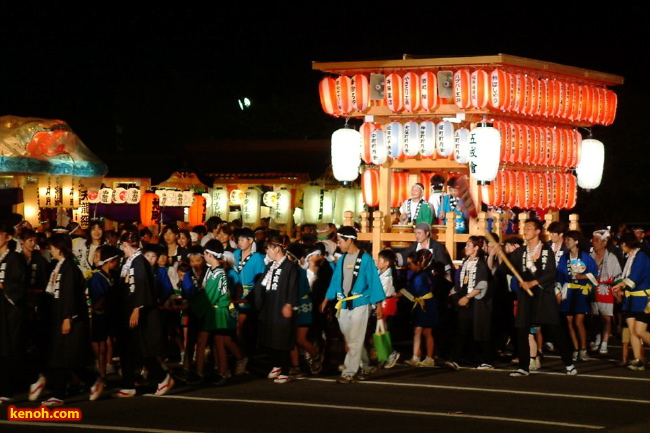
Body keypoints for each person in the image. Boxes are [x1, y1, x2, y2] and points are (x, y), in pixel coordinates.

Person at [500, 218, 577, 377]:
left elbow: (551, 273)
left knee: (555, 330)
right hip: (526, 297)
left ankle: (569, 363)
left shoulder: (546, 250)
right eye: (524, 228)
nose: (525, 230)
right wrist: (501, 256)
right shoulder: (520, 252)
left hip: (544, 295)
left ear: (537, 232)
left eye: (528, 228)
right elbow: (505, 268)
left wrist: (533, 282)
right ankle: (523, 366)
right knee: (521, 330)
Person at [320, 226, 385, 384]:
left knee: (355, 339)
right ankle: (366, 364)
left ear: (350, 240)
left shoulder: (366, 259)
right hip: (343, 303)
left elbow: (374, 282)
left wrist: (379, 306)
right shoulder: (342, 259)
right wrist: (326, 300)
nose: (339, 244)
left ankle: (349, 372)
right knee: (351, 339)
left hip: (360, 302)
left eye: (341, 241)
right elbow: (336, 282)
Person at [42, 233, 100, 406]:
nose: (50, 251)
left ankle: (61, 393)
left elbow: (68, 295)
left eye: (51, 247)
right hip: (60, 316)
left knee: (65, 357)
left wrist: (67, 317)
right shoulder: (60, 266)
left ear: (58, 249)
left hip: (70, 318)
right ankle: (89, 382)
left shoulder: (69, 268)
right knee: (63, 357)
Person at [113, 231, 174, 398]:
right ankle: (128, 384)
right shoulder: (129, 261)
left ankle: (162, 377)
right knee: (129, 349)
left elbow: (143, 286)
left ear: (125, 245)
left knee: (142, 348)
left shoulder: (139, 262)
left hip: (139, 311)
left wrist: (136, 309)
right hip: (128, 310)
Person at [190, 239, 246, 386]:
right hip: (211, 310)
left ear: (208, 254)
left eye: (205, 253)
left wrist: (190, 305)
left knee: (219, 342)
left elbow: (209, 295)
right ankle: (199, 372)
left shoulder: (218, 273)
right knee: (203, 341)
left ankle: (222, 372)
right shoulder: (213, 270)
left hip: (217, 311)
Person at [253, 235, 300, 384]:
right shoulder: (270, 266)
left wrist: (289, 304)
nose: (267, 251)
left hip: (281, 305)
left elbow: (293, 287)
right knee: (269, 337)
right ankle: (276, 365)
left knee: (282, 339)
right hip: (269, 306)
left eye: (269, 248)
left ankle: (285, 370)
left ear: (277, 248)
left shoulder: (290, 267)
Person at [446, 236, 494, 370]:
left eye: (468, 245)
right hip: (466, 302)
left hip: (478, 303)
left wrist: (467, 297)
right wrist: (455, 293)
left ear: (476, 248)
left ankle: (487, 360)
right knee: (462, 330)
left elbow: (482, 285)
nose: (465, 248)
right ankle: (456, 359)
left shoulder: (481, 265)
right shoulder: (466, 263)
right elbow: (463, 283)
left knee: (480, 331)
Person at [18, 228, 52, 402]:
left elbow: (46, 285)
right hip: (19, 307)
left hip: (36, 307)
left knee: (36, 344)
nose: (32, 243)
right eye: (29, 240)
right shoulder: (16, 259)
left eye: (34, 240)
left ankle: (38, 377)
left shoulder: (40, 260)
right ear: (21, 241)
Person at [612, 232, 650, 371]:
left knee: (640, 331)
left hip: (642, 298)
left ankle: (640, 359)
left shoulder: (641, 256)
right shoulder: (631, 256)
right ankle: (639, 359)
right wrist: (622, 288)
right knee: (632, 330)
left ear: (624, 244)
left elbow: (635, 277)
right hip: (631, 297)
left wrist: (620, 285)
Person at [0, 221, 27, 404]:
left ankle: (8, 389)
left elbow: (19, 285)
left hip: (9, 310)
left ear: (8, 237)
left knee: (8, 349)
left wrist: (3, 287)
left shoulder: (14, 258)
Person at [87, 245, 121, 388]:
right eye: (117, 259)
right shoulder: (96, 277)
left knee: (110, 343)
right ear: (110, 260)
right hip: (100, 315)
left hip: (111, 314)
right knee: (101, 346)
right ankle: (102, 375)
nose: (119, 262)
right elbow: (99, 300)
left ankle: (106, 370)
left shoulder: (114, 275)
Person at [232, 227, 267, 354]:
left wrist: (254, 296)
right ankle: (242, 351)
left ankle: (244, 351)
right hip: (236, 292)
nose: (240, 242)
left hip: (250, 294)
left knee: (244, 324)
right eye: (238, 239)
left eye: (243, 239)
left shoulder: (257, 257)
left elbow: (260, 280)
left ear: (251, 240)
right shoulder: (235, 254)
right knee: (237, 323)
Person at [403, 249, 438, 368]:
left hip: (427, 304)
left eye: (410, 264)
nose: (409, 267)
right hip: (422, 304)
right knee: (417, 330)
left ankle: (429, 358)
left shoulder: (423, 276)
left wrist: (398, 295)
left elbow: (412, 291)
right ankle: (416, 356)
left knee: (427, 332)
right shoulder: (420, 275)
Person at [590, 228, 622, 354]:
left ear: (604, 243)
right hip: (592, 289)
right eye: (593, 240)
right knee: (593, 317)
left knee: (607, 318)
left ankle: (604, 342)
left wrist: (618, 292)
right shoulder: (590, 256)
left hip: (605, 289)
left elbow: (618, 277)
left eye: (597, 240)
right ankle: (598, 337)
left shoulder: (611, 257)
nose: (594, 242)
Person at [376, 249, 400, 368]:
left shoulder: (387, 277)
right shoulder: (381, 272)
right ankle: (383, 355)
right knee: (380, 330)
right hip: (383, 303)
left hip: (386, 304)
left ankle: (391, 353)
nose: (377, 261)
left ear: (387, 263)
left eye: (380, 259)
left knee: (383, 330)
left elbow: (381, 293)